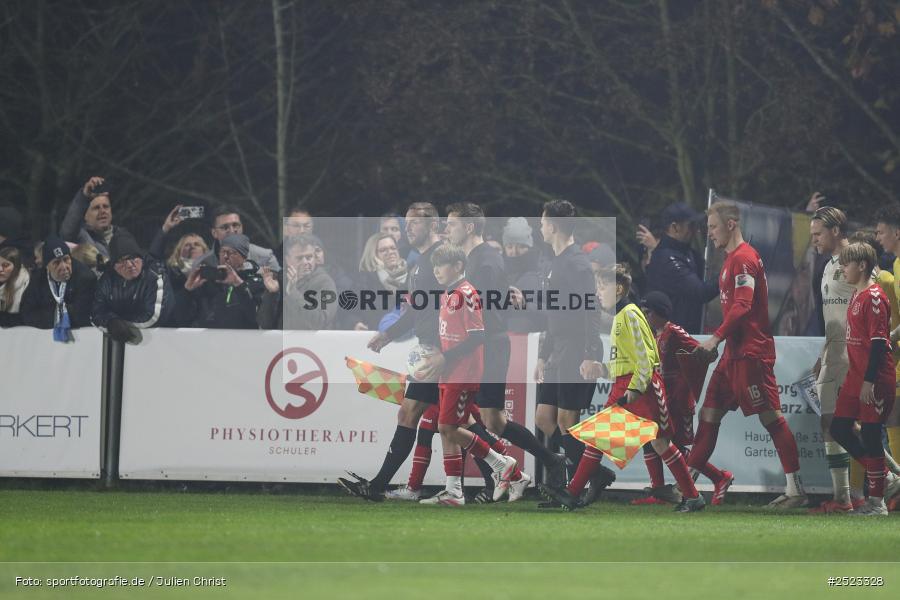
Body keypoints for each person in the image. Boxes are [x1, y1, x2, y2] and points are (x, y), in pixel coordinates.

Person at [541, 265, 706, 513]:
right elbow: (628, 360)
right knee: (610, 440)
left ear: (618, 288)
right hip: (629, 385)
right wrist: (602, 369)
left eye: (602, 286)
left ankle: (574, 492)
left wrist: (636, 389)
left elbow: (647, 357)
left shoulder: (629, 314)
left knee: (658, 443)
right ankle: (573, 492)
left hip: (640, 388)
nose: (598, 292)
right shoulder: (623, 315)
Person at [690, 202, 807, 508]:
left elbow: (742, 306)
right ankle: (686, 488)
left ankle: (796, 489)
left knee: (771, 419)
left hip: (751, 354)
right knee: (708, 414)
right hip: (732, 354)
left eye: (713, 227)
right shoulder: (731, 260)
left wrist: (715, 338)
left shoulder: (743, 259)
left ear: (731, 225)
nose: (709, 233)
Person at [337, 202, 445, 501]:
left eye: (413, 224)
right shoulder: (421, 262)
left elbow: (448, 306)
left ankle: (511, 471)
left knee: (464, 422)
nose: (407, 229)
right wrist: (389, 334)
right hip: (431, 350)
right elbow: (416, 311)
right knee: (420, 416)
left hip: (442, 352)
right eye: (406, 223)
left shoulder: (441, 259)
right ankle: (378, 485)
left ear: (432, 226)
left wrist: (442, 348)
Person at [444, 203, 551, 500]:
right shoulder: (474, 259)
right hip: (479, 346)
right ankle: (510, 473)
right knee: (482, 420)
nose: (446, 229)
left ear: (468, 227)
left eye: (451, 224)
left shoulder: (486, 261)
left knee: (480, 420)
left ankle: (525, 469)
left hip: (487, 346)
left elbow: (486, 311)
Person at [416, 244, 519, 506]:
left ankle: (501, 464)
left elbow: (478, 337)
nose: (437, 270)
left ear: (459, 266)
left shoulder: (467, 294)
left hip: (463, 373)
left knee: (448, 427)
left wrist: (444, 358)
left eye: (442, 265)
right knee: (451, 428)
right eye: (435, 265)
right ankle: (458, 491)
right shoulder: (448, 293)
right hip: (449, 372)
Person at [533, 200, 613, 505]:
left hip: (577, 348)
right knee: (544, 417)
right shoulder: (554, 261)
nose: (540, 227)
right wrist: (543, 354)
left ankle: (573, 488)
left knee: (567, 420)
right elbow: (553, 315)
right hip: (558, 348)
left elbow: (590, 313)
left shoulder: (577, 263)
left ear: (552, 226)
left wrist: (590, 354)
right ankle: (594, 473)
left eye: (542, 223)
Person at [638, 291, 731, 506]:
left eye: (648, 311)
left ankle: (720, 477)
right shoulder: (655, 335)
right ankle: (658, 491)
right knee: (654, 440)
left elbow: (703, 354)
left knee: (676, 447)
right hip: (663, 399)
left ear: (659, 313)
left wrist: (690, 381)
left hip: (678, 402)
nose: (645, 315)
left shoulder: (674, 332)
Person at [829, 242, 900, 516]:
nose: (842, 269)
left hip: (874, 378)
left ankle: (877, 503)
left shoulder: (874, 297)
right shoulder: (857, 295)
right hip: (855, 377)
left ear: (861, 265)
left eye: (846, 264)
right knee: (839, 428)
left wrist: (869, 381)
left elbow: (880, 343)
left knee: (871, 435)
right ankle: (886, 475)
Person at [805, 207, 859, 514]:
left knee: (839, 424)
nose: (814, 240)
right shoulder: (828, 265)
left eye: (818, 233)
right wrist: (823, 353)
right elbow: (833, 316)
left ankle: (848, 497)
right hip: (833, 354)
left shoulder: (858, 261)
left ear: (835, 230)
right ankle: (845, 497)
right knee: (837, 424)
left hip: (851, 355)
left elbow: (868, 305)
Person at [643, 202, 718, 334]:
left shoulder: (688, 253)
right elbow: (700, 292)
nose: (697, 230)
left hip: (686, 336)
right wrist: (732, 269)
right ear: (675, 227)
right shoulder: (666, 259)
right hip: (670, 341)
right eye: (691, 226)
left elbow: (709, 276)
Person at [91, 232, 174, 342]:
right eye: (121, 261)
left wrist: (121, 324)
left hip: (161, 342)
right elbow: (96, 312)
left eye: (133, 257)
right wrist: (111, 322)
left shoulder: (155, 275)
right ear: (114, 265)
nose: (130, 265)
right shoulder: (106, 280)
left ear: (141, 257)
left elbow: (154, 317)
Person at [19, 236, 96, 337]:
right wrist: (61, 314)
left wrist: (48, 312)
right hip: (43, 337)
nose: (64, 267)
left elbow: (81, 314)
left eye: (66, 259)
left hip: (81, 336)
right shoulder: (38, 279)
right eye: (56, 262)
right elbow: (27, 313)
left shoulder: (86, 277)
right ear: (47, 266)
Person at [257, 234, 337, 330]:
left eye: (309, 257)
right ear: (287, 260)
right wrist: (272, 294)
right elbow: (264, 323)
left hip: (312, 343)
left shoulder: (325, 282)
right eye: (299, 258)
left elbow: (320, 322)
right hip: (284, 343)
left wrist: (292, 292)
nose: (305, 262)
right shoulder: (281, 278)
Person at [185, 233, 264, 329]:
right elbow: (187, 317)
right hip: (213, 340)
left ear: (244, 257)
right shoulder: (212, 281)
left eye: (232, 252)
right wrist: (188, 291)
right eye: (222, 252)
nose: (225, 256)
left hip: (243, 340)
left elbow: (257, 317)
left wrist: (238, 284)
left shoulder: (257, 281)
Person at [874, 206, 900, 480]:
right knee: (894, 417)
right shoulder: (894, 266)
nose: (879, 238)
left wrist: (887, 340)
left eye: (882, 232)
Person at [59, 176, 132, 260]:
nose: (102, 211)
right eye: (96, 208)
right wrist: (83, 196)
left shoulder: (123, 235)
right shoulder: (81, 237)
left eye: (106, 206)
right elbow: (67, 232)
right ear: (85, 216)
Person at [353, 232, 409, 331]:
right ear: (373, 254)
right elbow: (348, 310)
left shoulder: (412, 276)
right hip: (375, 338)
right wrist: (355, 323)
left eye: (393, 248)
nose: (390, 252)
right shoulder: (364, 281)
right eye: (383, 250)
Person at [199, 205, 278, 270]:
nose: (232, 230)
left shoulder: (265, 257)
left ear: (242, 227)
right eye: (225, 227)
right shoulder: (204, 263)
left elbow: (281, 287)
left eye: (235, 225)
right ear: (214, 233)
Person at [502, 217, 546, 333]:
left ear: (531, 247)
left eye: (521, 246)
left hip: (534, 341)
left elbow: (557, 312)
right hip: (504, 340)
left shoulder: (543, 271)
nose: (514, 252)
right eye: (509, 247)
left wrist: (526, 304)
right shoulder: (499, 273)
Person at [0, 245, 30, 327]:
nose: (0, 269)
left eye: (5, 265)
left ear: (16, 266)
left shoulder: (28, 285)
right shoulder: (2, 283)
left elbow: (24, 318)